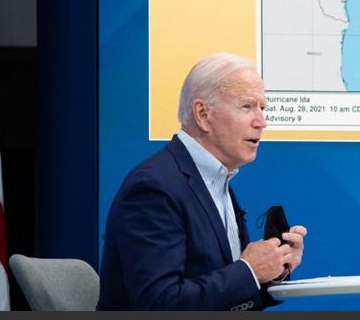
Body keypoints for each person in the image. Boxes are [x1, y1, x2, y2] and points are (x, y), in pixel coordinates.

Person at [98, 53, 307, 310]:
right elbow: (159, 304)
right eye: (246, 106)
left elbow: (226, 296)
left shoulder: (216, 181)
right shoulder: (155, 188)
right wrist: (248, 271)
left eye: (263, 108)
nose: (261, 122)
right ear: (203, 114)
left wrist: (273, 270)